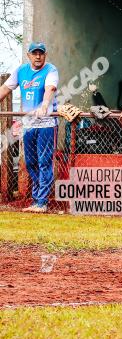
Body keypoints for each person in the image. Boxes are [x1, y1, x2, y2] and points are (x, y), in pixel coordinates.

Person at [0, 42, 58, 212]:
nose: (38, 56)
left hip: (46, 123)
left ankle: (41, 202)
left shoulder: (50, 70)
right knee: (31, 162)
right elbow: (5, 88)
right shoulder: (21, 71)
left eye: (41, 53)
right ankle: (37, 199)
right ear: (29, 55)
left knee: (44, 161)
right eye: (35, 53)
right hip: (28, 124)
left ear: (45, 55)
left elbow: (50, 88)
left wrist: (44, 105)